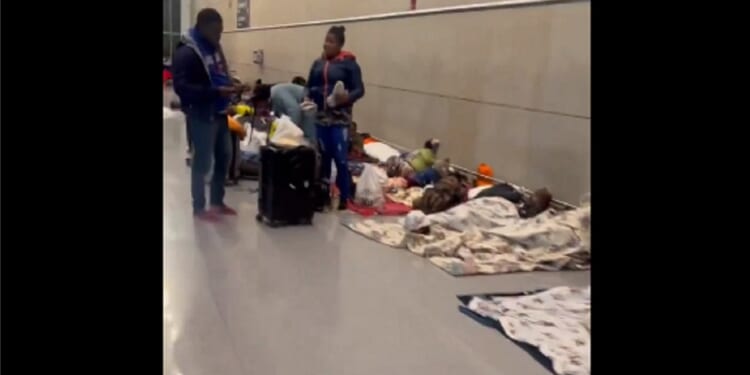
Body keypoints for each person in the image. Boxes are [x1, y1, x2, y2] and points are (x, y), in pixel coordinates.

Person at [172, 8, 239, 222]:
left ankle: (217, 202)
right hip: (201, 113)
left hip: (219, 111)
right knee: (202, 161)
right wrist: (215, 92)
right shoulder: (187, 53)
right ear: (202, 27)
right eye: (216, 31)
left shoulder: (213, 48)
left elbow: (218, 73)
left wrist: (230, 86)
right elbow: (182, 88)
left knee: (224, 156)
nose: (219, 36)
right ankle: (199, 208)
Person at [306, 25, 365, 210]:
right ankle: (323, 196)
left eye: (331, 42)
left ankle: (344, 198)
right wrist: (307, 98)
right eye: (325, 40)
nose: (326, 45)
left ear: (340, 45)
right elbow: (308, 86)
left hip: (339, 119)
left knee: (340, 158)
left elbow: (359, 90)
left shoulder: (349, 64)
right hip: (321, 117)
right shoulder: (317, 64)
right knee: (323, 157)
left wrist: (346, 97)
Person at [269, 77, 316, 143]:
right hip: (303, 108)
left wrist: (288, 130)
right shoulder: (273, 101)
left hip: (308, 106)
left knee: (307, 138)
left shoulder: (276, 92)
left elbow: (294, 111)